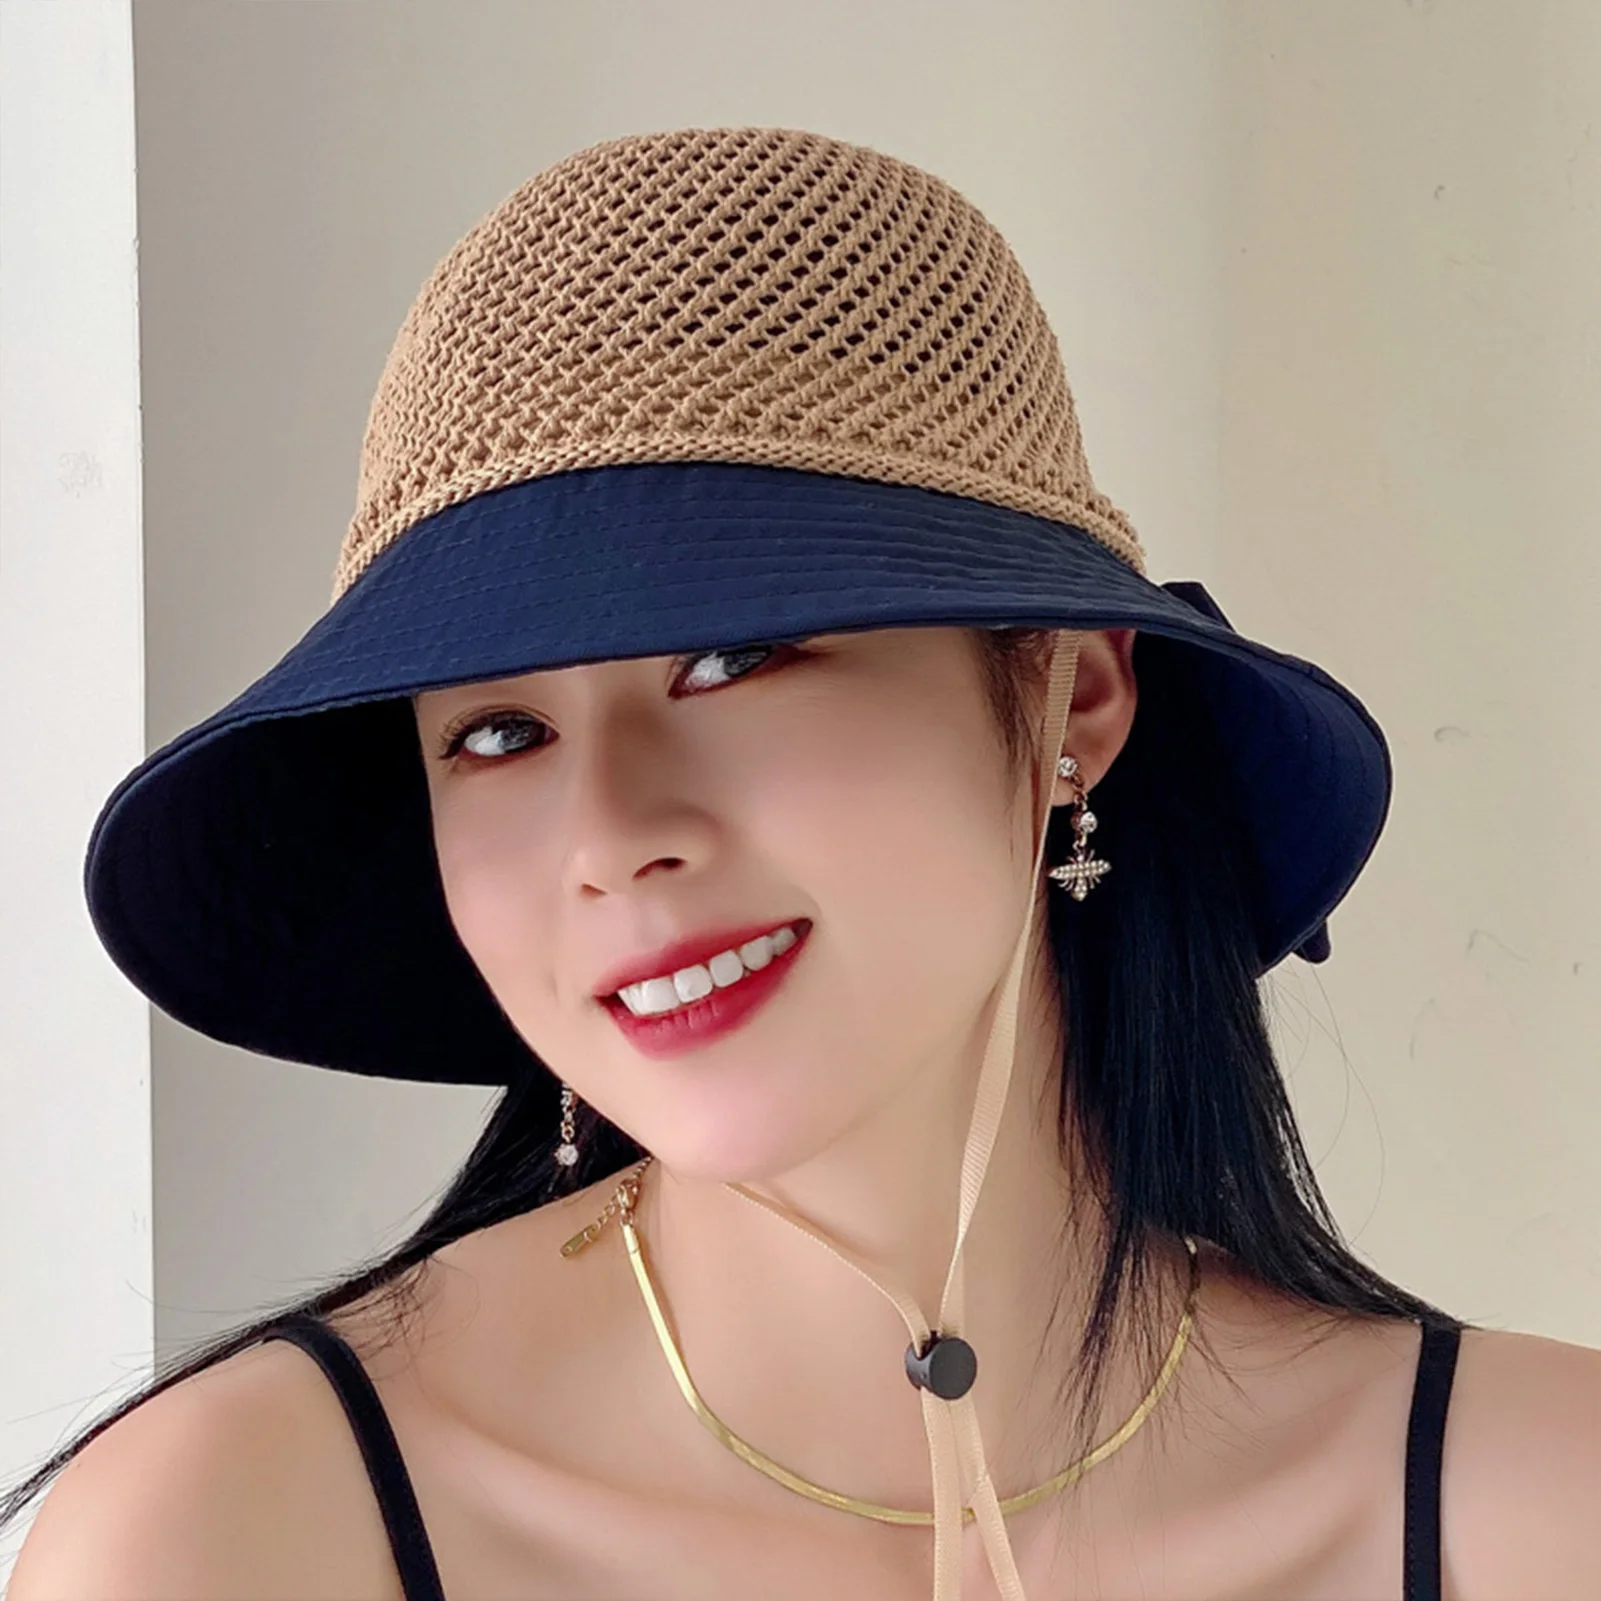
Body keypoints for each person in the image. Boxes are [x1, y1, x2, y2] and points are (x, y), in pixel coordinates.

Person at [6, 127, 1597, 1601]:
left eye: (733, 659)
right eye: (496, 735)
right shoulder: (236, 1533)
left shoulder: (1539, 1509)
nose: (612, 837)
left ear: (1074, 701)